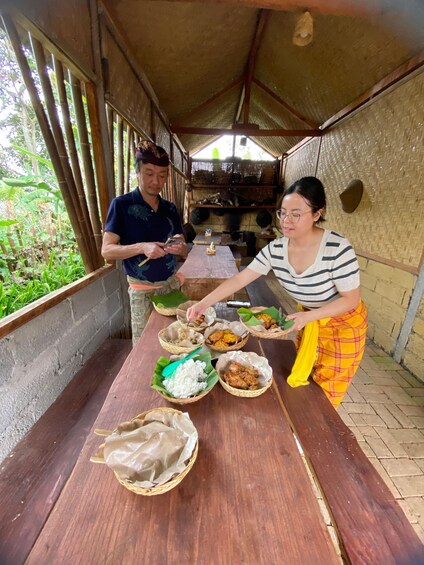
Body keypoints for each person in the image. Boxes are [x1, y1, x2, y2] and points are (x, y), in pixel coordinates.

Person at [187, 176, 368, 408]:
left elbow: (351, 300)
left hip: (342, 326)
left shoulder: (337, 247)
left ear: (317, 213)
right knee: (306, 380)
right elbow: (241, 278)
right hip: (309, 319)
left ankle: (317, 435)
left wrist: (308, 316)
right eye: (282, 213)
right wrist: (204, 303)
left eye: (296, 214)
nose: (286, 221)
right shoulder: (276, 250)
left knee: (327, 392)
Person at [102, 140, 188, 345]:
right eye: (149, 173)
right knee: (143, 346)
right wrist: (142, 247)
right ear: (137, 172)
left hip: (171, 288)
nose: (156, 181)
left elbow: (182, 243)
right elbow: (107, 250)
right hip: (142, 292)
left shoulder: (170, 208)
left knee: (174, 341)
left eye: (162, 175)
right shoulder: (121, 205)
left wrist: (179, 246)